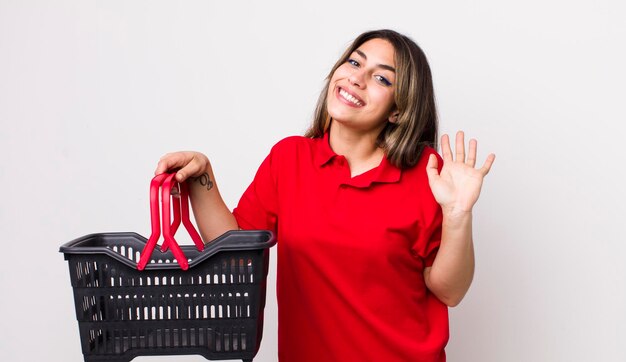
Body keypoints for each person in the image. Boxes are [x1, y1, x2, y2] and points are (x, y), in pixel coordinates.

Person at [155, 29, 495, 362]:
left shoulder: (428, 173)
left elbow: (449, 290)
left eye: (382, 79)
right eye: (354, 62)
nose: (357, 79)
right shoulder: (289, 159)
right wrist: (202, 178)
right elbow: (236, 254)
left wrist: (458, 214)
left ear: (397, 109)